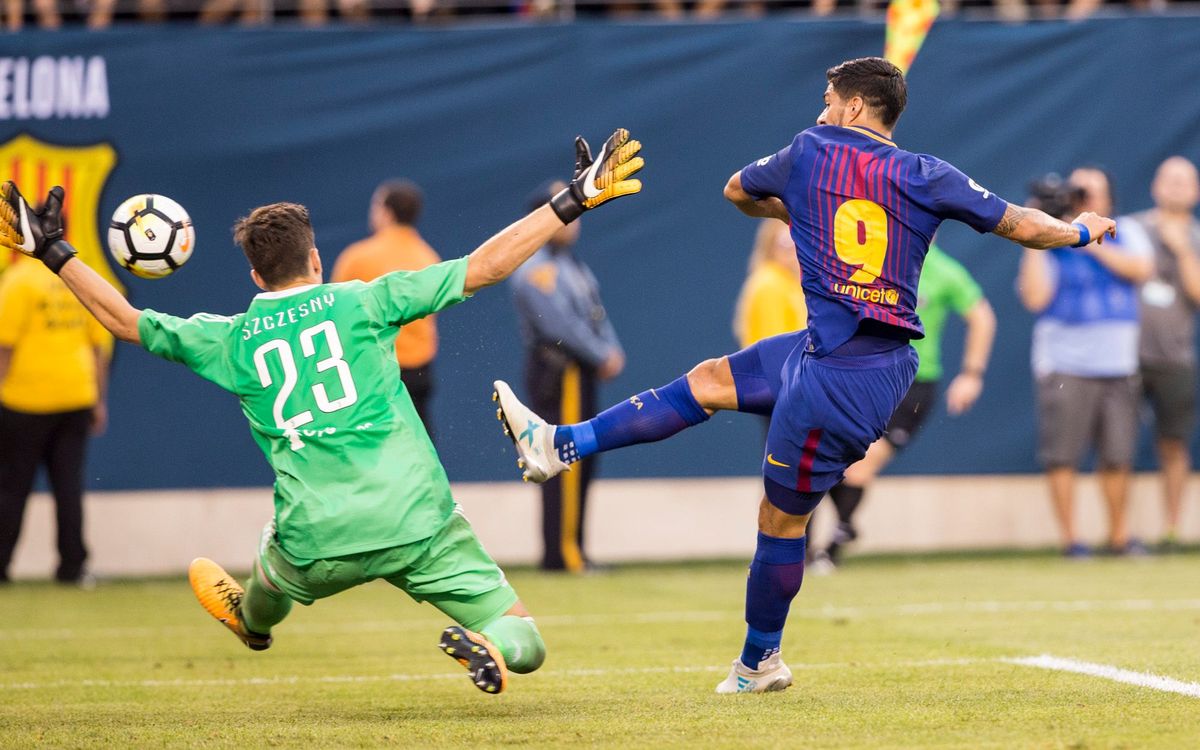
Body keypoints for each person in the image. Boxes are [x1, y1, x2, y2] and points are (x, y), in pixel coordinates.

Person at [492, 57, 1115, 694]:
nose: (821, 110)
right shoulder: (929, 173)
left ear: (853, 106)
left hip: (846, 375)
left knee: (781, 521)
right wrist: (1079, 231)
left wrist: (794, 210)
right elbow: (1020, 224)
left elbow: (735, 190)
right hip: (838, 351)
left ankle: (759, 662)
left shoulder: (812, 150)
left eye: (828, 98)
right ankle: (558, 445)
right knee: (710, 379)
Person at [0, 127, 643, 695]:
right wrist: (571, 200)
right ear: (315, 260)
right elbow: (483, 267)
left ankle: (252, 621)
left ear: (256, 278)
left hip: (316, 538)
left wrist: (54, 253)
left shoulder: (231, 339)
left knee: (270, 577)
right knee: (526, 637)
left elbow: (124, 320)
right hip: (415, 519)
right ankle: (495, 648)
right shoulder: (364, 301)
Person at [811, 240, 996, 571]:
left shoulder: (943, 271)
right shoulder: (873, 259)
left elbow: (982, 316)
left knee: (863, 462)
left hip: (915, 385)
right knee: (832, 459)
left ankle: (833, 548)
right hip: (865, 378)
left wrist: (972, 374)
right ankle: (839, 529)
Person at [1017, 168, 1153, 557]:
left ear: (1109, 198)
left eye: (1093, 193)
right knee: (1062, 455)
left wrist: (1090, 238)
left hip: (1117, 363)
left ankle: (1119, 536)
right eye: (1079, 193)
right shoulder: (1052, 237)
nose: (1085, 199)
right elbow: (1035, 297)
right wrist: (1038, 228)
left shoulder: (1128, 231)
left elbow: (1141, 270)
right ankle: (1071, 539)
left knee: (1118, 454)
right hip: (1066, 363)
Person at [509, 180, 624, 572]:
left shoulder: (571, 265)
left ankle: (572, 548)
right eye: (566, 210)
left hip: (579, 370)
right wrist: (601, 354)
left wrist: (610, 349)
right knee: (564, 457)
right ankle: (563, 555)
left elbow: (595, 315)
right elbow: (561, 325)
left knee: (581, 458)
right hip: (560, 371)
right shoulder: (537, 268)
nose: (575, 220)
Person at [0, 253, 111, 586]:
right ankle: (73, 567)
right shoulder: (81, 278)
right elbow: (99, 347)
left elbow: (4, 347)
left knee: (12, 489)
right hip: (76, 395)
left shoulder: (19, 280)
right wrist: (99, 400)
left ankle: (1, 565)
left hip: (25, 400)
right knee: (68, 487)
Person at [332, 180, 441, 437]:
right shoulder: (429, 258)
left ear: (386, 212)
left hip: (373, 371)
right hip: (419, 371)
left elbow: (335, 314)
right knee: (418, 440)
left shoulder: (357, 258)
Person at [1130, 156, 1200, 549]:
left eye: (1183, 180)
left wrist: (1182, 249)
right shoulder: (1131, 229)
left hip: (1175, 357)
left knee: (1173, 442)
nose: (1175, 186)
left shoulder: (1196, 236)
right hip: (1126, 355)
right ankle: (1121, 533)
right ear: (1155, 186)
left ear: (1196, 191)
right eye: (1168, 179)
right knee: (1117, 445)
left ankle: (1171, 528)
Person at [732, 218, 806, 351]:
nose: (791, 249)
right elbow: (776, 346)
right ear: (770, 246)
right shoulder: (771, 284)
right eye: (785, 242)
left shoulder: (789, 282)